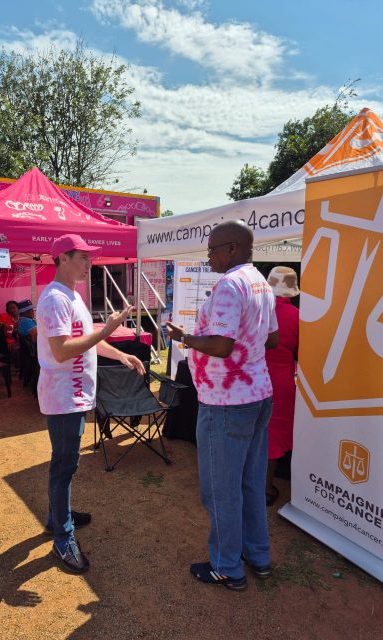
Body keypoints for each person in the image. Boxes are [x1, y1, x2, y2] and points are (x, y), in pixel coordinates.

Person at [166, 220, 278, 592]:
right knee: (250, 484)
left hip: (226, 403)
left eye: (212, 249)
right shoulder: (261, 282)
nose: (209, 256)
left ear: (232, 249)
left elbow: (221, 346)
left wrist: (186, 338)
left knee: (220, 490)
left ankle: (227, 567)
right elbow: (272, 339)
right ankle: (258, 556)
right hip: (257, 394)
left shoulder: (230, 284)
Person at [37, 233, 145, 575]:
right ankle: (63, 537)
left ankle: (57, 517)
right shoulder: (55, 299)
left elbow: (86, 342)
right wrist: (106, 330)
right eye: (83, 257)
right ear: (62, 258)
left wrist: (120, 354)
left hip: (74, 395)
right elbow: (61, 350)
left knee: (65, 464)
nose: (89, 263)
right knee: (64, 465)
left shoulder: (72, 296)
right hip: (63, 398)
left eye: (89, 257)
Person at [265, 266, 299, 506]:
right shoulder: (297, 317)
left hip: (250, 378)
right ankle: (265, 489)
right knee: (274, 436)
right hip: (280, 383)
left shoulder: (254, 310)